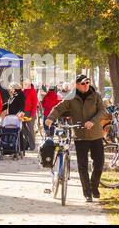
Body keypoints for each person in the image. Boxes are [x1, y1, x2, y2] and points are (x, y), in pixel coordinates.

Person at [45, 75, 106, 203]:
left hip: (96, 135)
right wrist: (51, 117)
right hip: (80, 136)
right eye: (83, 83)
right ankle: (87, 193)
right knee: (82, 166)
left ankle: (94, 186)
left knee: (99, 163)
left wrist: (93, 121)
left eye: (87, 82)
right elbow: (59, 108)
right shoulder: (71, 97)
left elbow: (102, 111)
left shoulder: (96, 95)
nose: (86, 85)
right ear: (77, 85)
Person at [22, 79, 38, 150]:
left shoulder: (32, 91)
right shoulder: (23, 90)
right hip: (23, 112)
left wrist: (32, 114)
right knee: (23, 129)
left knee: (30, 129)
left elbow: (35, 103)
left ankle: (32, 146)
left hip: (30, 112)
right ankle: (25, 145)